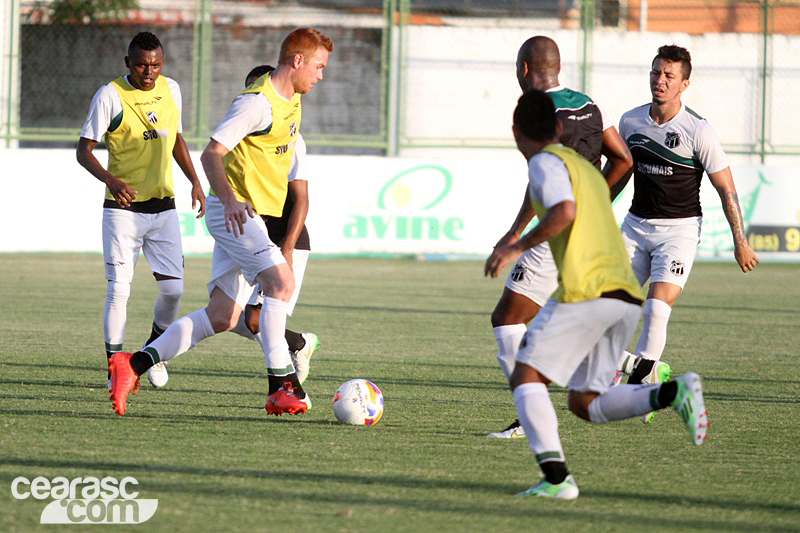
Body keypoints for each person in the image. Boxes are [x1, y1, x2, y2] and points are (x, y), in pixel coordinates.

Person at [485, 89, 708, 500]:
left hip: (587, 293)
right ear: (557, 128)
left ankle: (557, 481)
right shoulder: (586, 169)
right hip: (624, 295)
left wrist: (515, 245)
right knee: (585, 402)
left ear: (516, 133)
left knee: (526, 375)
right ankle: (673, 392)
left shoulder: (544, 163)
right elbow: (592, 195)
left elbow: (564, 211)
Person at [106, 28, 333, 416]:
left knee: (223, 316)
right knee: (281, 283)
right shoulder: (256, 103)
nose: (321, 75)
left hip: (250, 214)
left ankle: (133, 364)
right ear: (297, 61)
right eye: (318, 66)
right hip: (236, 212)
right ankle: (280, 386)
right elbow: (212, 153)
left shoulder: (291, 98)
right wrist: (228, 200)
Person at [487, 35, 640, 439]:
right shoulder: (588, 104)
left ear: (524, 69)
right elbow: (623, 158)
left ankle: (528, 414)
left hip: (555, 234)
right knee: (542, 317)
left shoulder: (539, 111)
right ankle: (627, 366)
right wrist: (598, 203)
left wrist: (515, 235)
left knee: (507, 320)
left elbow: (545, 179)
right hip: (589, 238)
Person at [613, 45, 759, 421]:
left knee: (657, 308)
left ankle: (638, 384)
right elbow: (620, 173)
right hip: (634, 226)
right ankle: (648, 373)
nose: (659, 81)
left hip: (677, 232)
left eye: (669, 76)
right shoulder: (630, 122)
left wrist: (739, 242)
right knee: (607, 309)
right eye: (656, 73)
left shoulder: (698, 130)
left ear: (684, 84)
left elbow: (726, 189)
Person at [76, 31, 205, 390]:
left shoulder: (171, 89)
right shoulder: (110, 96)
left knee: (174, 291)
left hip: (164, 209)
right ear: (127, 63)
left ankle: (150, 353)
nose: (149, 72)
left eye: (156, 65)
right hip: (123, 211)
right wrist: (112, 181)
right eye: (142, 65)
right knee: (119, 291)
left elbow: (174, 136)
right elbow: (83, 150)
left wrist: (194, 180)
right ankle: (115, 368)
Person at [231, 64, 320, 385]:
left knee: (254, 319)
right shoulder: (240, 134)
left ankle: (287, 387)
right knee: (228, 317)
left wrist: (287, 250)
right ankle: (299, 344)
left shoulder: (292, 138)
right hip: (253, 236)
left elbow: (301, 200)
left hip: (286, 239)